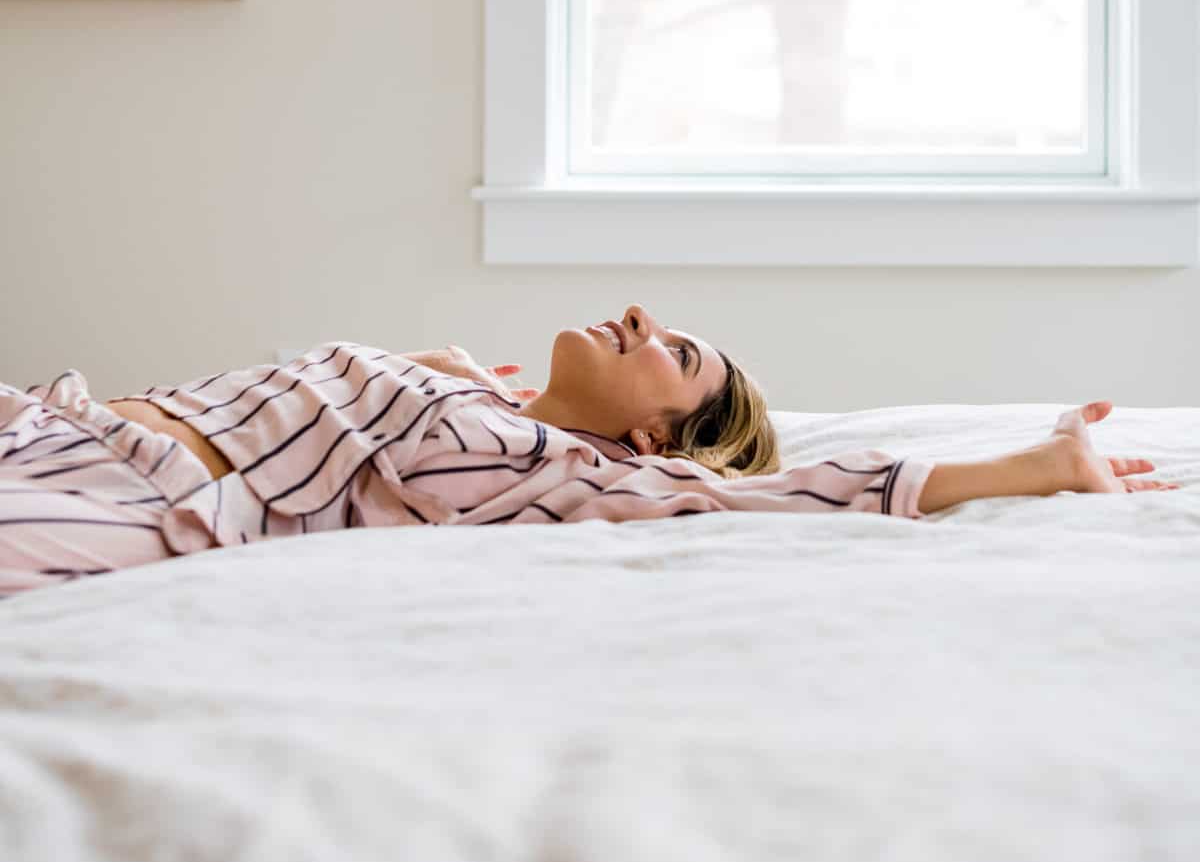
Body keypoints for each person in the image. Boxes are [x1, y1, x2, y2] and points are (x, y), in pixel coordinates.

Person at [0, 303, 1177, 598]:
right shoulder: (466, 394)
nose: (638, 315)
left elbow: (777, 497)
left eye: (673, 348)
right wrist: (435, 376)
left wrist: (1031, 465)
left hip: (128, 499)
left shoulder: (569, 472)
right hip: (52, 419)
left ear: (655, 433)